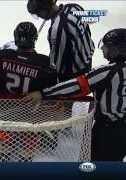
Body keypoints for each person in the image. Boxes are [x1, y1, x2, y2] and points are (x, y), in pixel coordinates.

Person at [24, 28, 126, 161]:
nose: (103, 49)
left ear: (118, 50)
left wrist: (44, 93)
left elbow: (75, 87)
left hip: (108, 131)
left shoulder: (107, 72)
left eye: (108, 46)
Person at [0, 22, 58, 162]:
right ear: (35, 38)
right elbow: (53, 95)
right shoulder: (45, 63)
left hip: (5, 116)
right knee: (27, 152)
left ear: (16, 38)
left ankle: (3, 160)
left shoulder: (2, 56)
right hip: (31, 119)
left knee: (2, 148)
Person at [27, 0, 95, 82]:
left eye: (38, 13)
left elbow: (56, 65)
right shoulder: (74, 7)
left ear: (45, 8)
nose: (38, 16)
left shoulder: (57, 30)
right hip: (87, 59)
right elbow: (87, 31)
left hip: (74, 75)